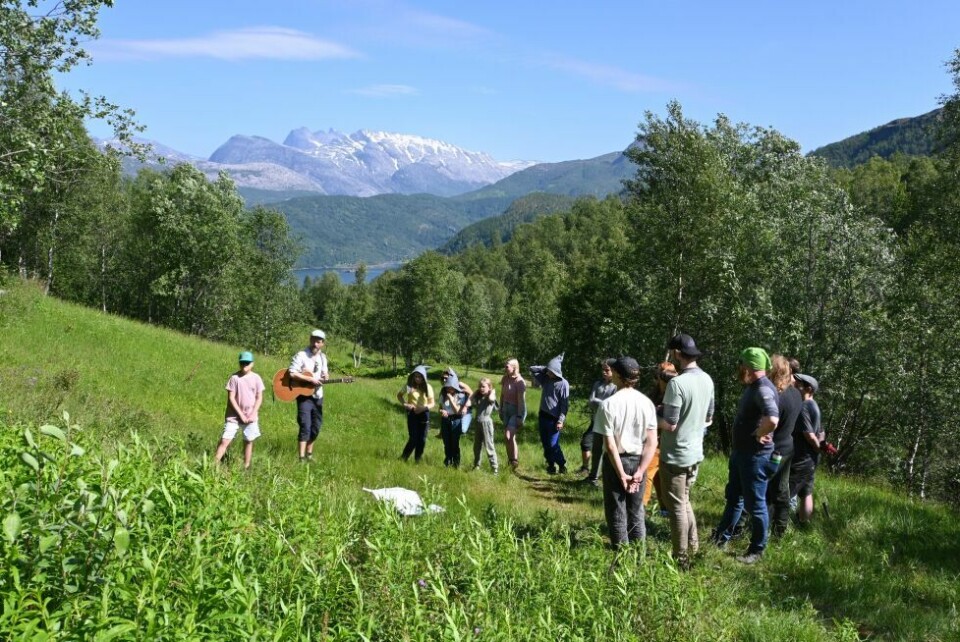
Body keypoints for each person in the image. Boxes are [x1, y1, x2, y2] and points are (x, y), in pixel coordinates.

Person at [711, 347, 779, 564]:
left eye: (741, 364)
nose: (739, 369)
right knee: (734, 498)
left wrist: (760, 433)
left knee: (756, 505)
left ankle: (757, 550)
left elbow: (773, 419)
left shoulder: (763, 390)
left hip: (755, 457)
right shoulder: (754, 386)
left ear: (748, 366)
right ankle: (721, 538)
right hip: (742, 454)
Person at [659, 333, 714, 568]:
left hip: (676, 455)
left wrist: (650, 417)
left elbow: (670, 424)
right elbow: (709, 418)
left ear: (678, 355)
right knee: (685, 500)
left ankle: (680, 558)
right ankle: (693, 548)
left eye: (673, 353)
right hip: (695, 454)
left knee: (677, 508)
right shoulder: (708, 380)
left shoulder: (677, 383)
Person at [597, 356, 658, 548]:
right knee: (636, 510)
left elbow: (610, 445)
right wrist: (640, 471)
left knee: (616, 510)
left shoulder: (608, 404)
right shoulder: (646, 403)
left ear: (616, 375)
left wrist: (621, 474)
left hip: (617, 461)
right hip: (638, 459)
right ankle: (638, 553)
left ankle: (621, 554)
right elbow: (652, 442)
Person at [765, 354, 802, 537]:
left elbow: (770, 423)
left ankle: (764, 529)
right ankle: (779, 530)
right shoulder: (796, 394)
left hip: (772, 447)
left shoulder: (777, 396)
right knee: (781, 490)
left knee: (767, 490)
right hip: (787, 447)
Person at [214, 351, 265, 470]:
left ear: (252, 364)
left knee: (248, 440)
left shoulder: (256, 378)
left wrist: (253, 414)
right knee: (225, 440)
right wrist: (241, 415)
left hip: (251, 416)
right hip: (234, 417)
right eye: (242, 363)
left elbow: (259, 397)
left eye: (247, 363)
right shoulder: (234, 378)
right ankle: (213, 464)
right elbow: (231, 398)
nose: (244, 365)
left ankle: (246, 466)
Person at [289, 329, 329, 462]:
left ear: (322, 343)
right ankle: (301, 458)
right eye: (313, 340)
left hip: (318, 396)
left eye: (318, 341)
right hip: (304, 395)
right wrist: (309, 380)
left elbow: (324, 374)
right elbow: (292, 373)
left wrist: (326, 376)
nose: (315, 344)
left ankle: (309, 454)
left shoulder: (323, 358)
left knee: (316, 427)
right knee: (305, 425)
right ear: (310, 340)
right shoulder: (301, 355)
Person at [645, 361, 678, 509]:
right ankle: (664, 506)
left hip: (661, 441)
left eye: (661, 374)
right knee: (658, 477)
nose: (658, 377)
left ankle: (641, 507)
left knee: (647, 474)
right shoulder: (655, 392)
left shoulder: (672, 395)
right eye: (659, 373)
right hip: (651, 438)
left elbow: (670, 421)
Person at [790, 373, 822, 524]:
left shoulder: (804, 406)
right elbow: (821, 432)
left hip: (802, 457)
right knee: (806, 492)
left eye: (799, 385)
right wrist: (818, 449)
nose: (796, 386)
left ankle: (777, 524)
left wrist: (816, 447)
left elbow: (809, 434)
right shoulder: (815, 406)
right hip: (811, 459)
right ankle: (804, 523)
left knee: (786, 491)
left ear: (809, 388)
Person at [530, 353, 570, 474]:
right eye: (548, 371)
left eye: (550, 371)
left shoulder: (563, 384)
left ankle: (562, 465)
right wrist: (547, 368)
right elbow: (532, 369)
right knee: (545, 443)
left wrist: (561, 420)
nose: (547, 373)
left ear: (556, 371)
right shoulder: (546, 379)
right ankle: (551, 465)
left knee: (553, 444)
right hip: (543, 416)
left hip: (554, 419)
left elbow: (564, 405)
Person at [580, 360, 617, 484]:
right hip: (596, 421)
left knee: (610, 452)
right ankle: (593, 477)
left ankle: (609, 479)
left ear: (613, 371)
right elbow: (591, 401)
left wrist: (599, 402)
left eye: (607, 370)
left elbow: (611, 406)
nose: (604, 372)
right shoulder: (597, 384)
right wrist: (603, 403)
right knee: (596, 450)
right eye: (603, 369)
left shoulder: (616, 387)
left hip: (609, 425)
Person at [397, 365, 435, 462]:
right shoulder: (409, 386)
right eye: (416, 376)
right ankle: (403, 458)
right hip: (412, 413)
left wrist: (423, 408)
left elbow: (432, 403)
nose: (417, 379)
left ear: (424, 377)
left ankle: (418, 459)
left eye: (420, 377)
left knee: (422, 439)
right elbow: (399, 395)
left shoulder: (428, 387)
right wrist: (405, 404)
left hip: (424, 413)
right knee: (413, 438)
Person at [499, 358, 527, 470]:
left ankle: (514, 460)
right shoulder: (505, 378)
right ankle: (511, 461)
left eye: (507, 366)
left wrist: (520, 416)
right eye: (505, 366)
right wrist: (500, 408)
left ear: (514, 367)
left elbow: (521, 401)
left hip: (517, 410)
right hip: (506, 409)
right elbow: (502, 395)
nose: (505, 368)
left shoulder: (520, 382)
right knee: (508, 438)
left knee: (508, 435)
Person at [439, 374, 470, 468]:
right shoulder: (443, 394)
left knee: (454, 443)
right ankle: (448, 460)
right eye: (447, 387)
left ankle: (456, 463)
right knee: (446, 442)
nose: (449, 389)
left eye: (451, 388)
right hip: (445, 420)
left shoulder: (460, 395)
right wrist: (442, 411)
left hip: (456, 420)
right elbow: (440, 408)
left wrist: (451, 399)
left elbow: (457, 411)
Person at [471, 377, 499, 473]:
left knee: (489, 446)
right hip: (478, 423)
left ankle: (494, 467)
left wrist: (492, 391)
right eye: (480, 386)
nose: (481, 388)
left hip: (486, 423)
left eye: (483, 386)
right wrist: (475, 391)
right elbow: (470, 401)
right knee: (477, 446)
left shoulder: (490, 397)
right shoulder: (479, 397)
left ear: (489, 387)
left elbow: (491, 398)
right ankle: (476, 465)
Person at [442, 367, 473, 435]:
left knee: (462, 430)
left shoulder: (460, 384)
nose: (444, 380)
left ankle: (467, 420)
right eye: (443, 378)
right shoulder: (445, 388)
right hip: (455, 409)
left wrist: (465, 407)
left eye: (446, 378)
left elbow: (471, 394)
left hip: (466, 410)